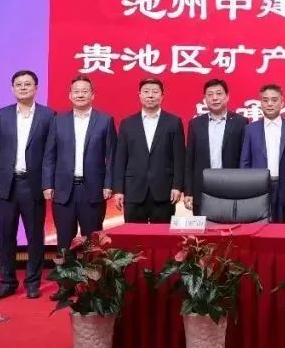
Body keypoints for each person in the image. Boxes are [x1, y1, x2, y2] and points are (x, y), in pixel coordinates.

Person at [0, 70, 55, 300]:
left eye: (28, 84)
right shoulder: (2, 115)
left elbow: (50, 154)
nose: (23, 88)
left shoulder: (48, 115)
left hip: (33, 184)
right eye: (19, 84)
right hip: (6, 184)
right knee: (5, 236)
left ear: (36, 88)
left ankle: (33, 282)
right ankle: (7, 282)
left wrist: (48, 183)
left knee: (35, 236)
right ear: (12, 88)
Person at [42, 75, 116, 284]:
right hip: (63, 189)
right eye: (76, 91)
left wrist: (108, 184)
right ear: (70, 95)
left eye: (85, 91)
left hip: (93, 189)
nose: (80, 94)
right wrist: (47, 183)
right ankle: (66, 285)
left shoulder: (105, 120)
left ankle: (93, 286)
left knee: (92, 241)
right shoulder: (58, 121)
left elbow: (112, 156)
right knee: (64, 241)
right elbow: (49, 156)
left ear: (93, 95)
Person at [113, 78, 185, 223]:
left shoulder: (173, 122)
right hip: (133, 191)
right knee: (133, 235)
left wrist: (177, 186)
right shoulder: (127, 123)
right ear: (139, 95)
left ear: (162, 96)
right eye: (146, 92)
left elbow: (179, 158)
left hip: (164, 191)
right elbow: (120, 159)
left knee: (162, 235)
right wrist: (119, 190)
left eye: (155, 92)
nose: (150, 95)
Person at [184, 79, 247, 216]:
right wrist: (188, 191)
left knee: (230, 226)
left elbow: (244, 159)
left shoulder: (241, 122)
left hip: (232, 186)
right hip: (202, 188)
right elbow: (189, 160)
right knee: (203, 227)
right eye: (210, 94)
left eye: (219, 93)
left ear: (227, 96)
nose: (215, 98)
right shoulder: (195, 124)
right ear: (205, 99)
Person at [240, 84, 285, 223]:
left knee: (283, 229)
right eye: (265, 100)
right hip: (257, 187)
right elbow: (245, 162)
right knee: (258, 227)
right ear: (260, 103)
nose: (269, 104)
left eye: (274, 100)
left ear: (282, 103)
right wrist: (245, 189)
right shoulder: (250, 129)